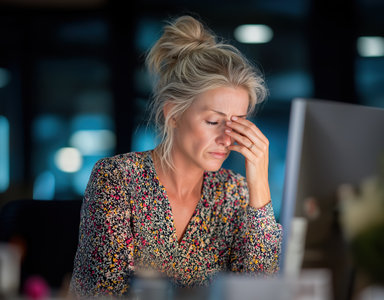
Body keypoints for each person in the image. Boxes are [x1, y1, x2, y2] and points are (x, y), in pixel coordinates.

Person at [69, 15, 282, 297]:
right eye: (213, 121)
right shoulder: (118, 179)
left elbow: (259, 291)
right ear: (173, 115)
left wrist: (259, 183)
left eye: (236, 122)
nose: (227, 138)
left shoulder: (233, 192)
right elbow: (102, 295)